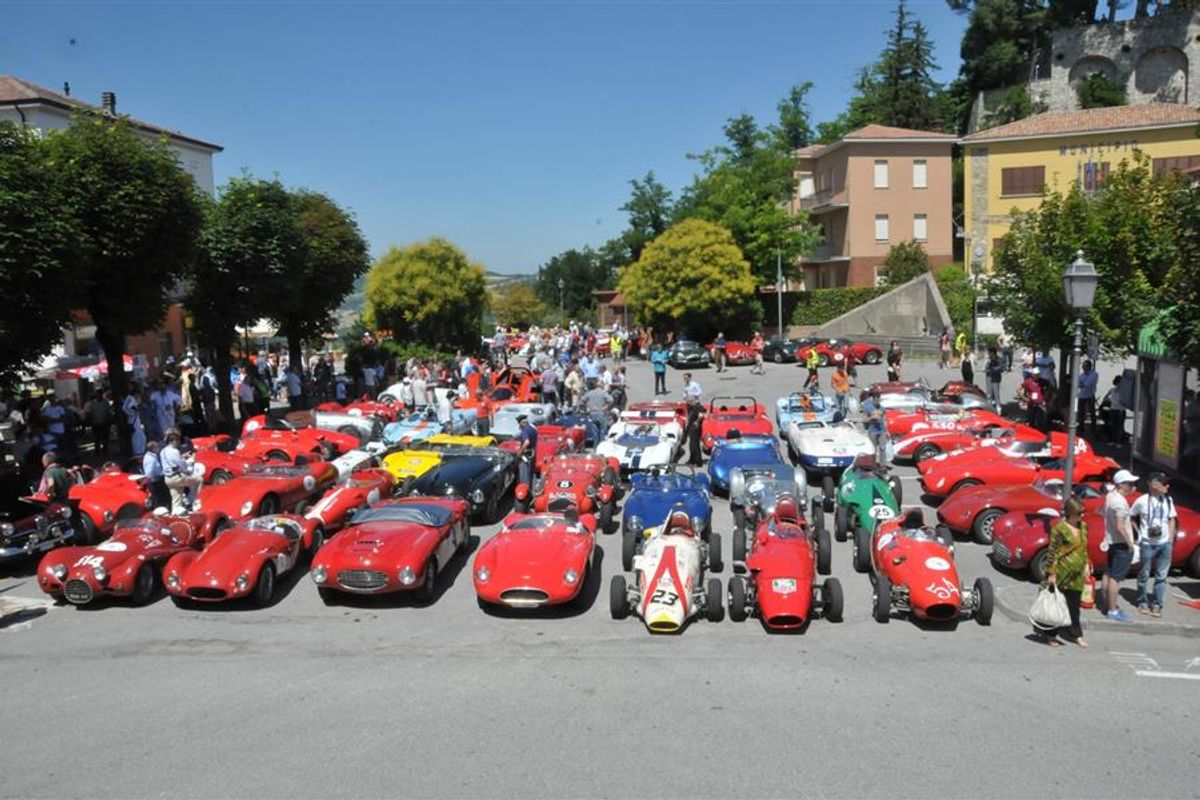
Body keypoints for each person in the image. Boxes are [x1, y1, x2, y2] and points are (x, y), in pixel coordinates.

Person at [1040, 496, 1091, 648]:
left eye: (1083, 513)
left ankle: (1076, 634)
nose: (1082, 516)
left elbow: (1084, 548)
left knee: (1074, 607)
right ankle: (1051, 635)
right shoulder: (1059, 529)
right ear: (1070, 513)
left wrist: (1087, 564)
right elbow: (1052, 553)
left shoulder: (1084, 527)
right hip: (1062, 573)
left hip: (1076, 576)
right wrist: (1051, 573)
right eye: (1079, 513)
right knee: (1056, 606)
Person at [1131, 472, 1177, 618]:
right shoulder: (1142, 501)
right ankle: (1142, 602)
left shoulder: (1168, 500)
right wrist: (1138, 534)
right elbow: (1132, 517)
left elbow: (1172, 519)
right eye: (1164, 483)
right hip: (1147, 543)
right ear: (1153, 485)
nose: (1167, 486)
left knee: (1161, 576)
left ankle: (1157, 605)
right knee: (1144, 574)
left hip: (1164, 544)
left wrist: (1169, 538)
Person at [1101, 469, 1139, 623]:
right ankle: (1112, 610)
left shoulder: (1111, 496)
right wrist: (1130, 544)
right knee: (1116, 579)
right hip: (1121, 544)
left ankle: (1107, 604)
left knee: (1108, 574)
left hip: (1111, 541)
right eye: (1130, 484)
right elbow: (1120, 526)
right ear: (1121, 484)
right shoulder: (1120, 502)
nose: (1132, 487)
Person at [161, 429, 200, 514]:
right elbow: (182, 466)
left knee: (176, 498)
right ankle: (197, 502)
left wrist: (182, 456)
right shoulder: (175, 451)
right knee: (199, 480)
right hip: (177, 477)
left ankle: (176, 514)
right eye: (178, 440)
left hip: (168, 479)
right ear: (173, 441)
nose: (179, 442)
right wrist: (188, 470)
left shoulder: (163, 451)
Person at [142, 440, 170, 510]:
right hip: (155, 482)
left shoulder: (151, 456)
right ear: (153, 449)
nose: (158, 449)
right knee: (159, 499)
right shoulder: (150, 458)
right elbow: (149, 472)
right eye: (157, 448)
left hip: (156, 480)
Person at [861, 390, 887, 465]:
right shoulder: (868, 408)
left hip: (881, 431)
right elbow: (864, 420)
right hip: (872, 431)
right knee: (873, 449)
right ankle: (873, 464)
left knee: (883, 448)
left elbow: (885, 420)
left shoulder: (882, 408)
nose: (878, 401)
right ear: (873, 399)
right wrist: (872, 417)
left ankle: (883, 465)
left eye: (879, 399)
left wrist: (886, 430)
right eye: (877, 399)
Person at [84, 390, 113, 454]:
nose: (98, 396)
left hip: (104, 422)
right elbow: (89, 413)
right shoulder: (93, 403)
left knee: (104, 437)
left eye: (100, 394)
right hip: (95, 423)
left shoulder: (105, 403)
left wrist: (109, 420)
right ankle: (97, 450)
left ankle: (105, 450)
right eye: (97, 394)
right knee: (97, 438)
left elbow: (109, 412)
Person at [515, 415, 537, 487]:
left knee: (524, 475)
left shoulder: (525, 430)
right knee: (530, 473)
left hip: (526, 455)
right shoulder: (532, 428)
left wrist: (521, 451)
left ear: (521, 423)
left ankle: (524, 491)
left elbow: (526, 442)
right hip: (532, 453)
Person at [1101, 375, 1125, 443]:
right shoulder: (1112, 390)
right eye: (1117, 382)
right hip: (1113, 409)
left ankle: (1119, 441)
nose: (1118, 384)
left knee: (1120, 426)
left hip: (1121, 410)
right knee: (1113, 425)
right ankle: (1114, 440)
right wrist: (1109, 400)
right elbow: (1105, 398)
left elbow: (1125, 401)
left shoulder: (1124, 391)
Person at [684, 395, 705, 466]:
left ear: (691, 400)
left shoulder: (697, 407)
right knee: (691, 445)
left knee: (695, 445)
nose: (686, 402)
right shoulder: (690, 407)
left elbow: (701, 415)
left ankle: (698, 462)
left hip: (695, 428)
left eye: (687, 400)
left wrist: (696, 422)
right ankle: (692, 460)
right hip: (691, 428)